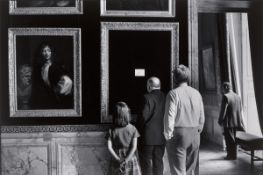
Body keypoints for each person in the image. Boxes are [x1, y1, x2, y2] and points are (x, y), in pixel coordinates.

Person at [163, 64, 205, 175]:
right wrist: (198, 130)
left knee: (178, 170)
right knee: (190, 169)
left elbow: (170, 116)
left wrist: (168, 135)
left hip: (179, 134)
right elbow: (202, 115)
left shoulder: (173, 93)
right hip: (195, 133)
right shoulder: (197, 93)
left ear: (175, 78)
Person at [136, 77, 166, 175]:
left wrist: (137, 129)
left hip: (148, 137)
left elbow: (143, 117)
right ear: (159, 86)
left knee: (146, 163)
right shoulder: (166, 97)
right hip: (161, 136)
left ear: (149, 86)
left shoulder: (146, 97)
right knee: (159, 162)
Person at [32, 42, 73, 109]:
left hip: (56, 98)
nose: (46, 53)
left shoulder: (56, 66)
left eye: (48, 50)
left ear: (51, 52)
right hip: (45, 98)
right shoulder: (39, 68)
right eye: (44, 51)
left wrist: (57, 88)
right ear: (41, 53)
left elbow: (65, 78)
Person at [106, 102, 141, 175]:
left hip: (116, 157)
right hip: (130, 157)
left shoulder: (111, 129)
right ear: (127, 114)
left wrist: (118, 159)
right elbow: (134, 147)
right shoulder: (133, 128)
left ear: (115, 115)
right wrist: (126, 160)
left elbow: (109, 147)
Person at [218, 82, 245, 160]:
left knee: (229, 140)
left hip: (228, 122)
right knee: (234, 140)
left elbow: (223, 111)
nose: (222, 90)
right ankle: (234, 155)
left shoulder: (226, 96)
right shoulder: (238, 96)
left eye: (222, 89)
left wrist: (220, 120)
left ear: (226, 87)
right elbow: (240, 110)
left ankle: (230, 156)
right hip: (237, 121)